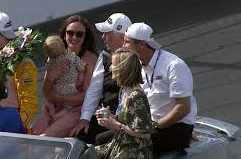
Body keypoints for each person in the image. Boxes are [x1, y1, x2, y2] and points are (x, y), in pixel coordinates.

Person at [123, 22, 197, 157]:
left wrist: (154, 127)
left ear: (141, 44)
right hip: (151, 125)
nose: (123, 46)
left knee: (130, 145)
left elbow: (183, 108)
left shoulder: (173, 66)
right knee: (106, 138)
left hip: (175, 128)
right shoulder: (137, 64)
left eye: (127, 42)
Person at [70, 13, 132, 145]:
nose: (103, 37)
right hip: (105, 116)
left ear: (120, 36)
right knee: (78, 138)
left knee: (100, 141)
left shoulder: (135, 59)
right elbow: (94, 88)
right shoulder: (105, 56)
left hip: (126, 120)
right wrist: (85, 119)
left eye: (107, 33)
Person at [31, 15, 98, 137]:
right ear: (64, 35)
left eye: (79, 34)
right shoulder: (55, 54)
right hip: (53, 108)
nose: (74, 37)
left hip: (75, 111)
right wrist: (51, 77)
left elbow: (84, 97)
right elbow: (46, 91)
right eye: (70, 33)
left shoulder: (91, 59)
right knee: (31, 137)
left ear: (85, 37)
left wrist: (56, 96)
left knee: (45, 138)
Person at [95, 48, 153, 159]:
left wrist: (116, 125)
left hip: (133, 150)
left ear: (123, 68)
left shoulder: (136, 96)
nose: (110, 67)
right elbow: (128, 119)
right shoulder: (124, 89)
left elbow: (145, 133)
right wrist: (110, 117)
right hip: (120, 143)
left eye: (113, 64)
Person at [32, 35, 85, 134]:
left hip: (60, 93)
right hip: (70, 89)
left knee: (42, 134)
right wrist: (81, 73)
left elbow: (48, 92)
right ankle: (59, 112)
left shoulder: (50, 63)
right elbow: (82, 67)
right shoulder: (72, 57)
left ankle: (55, 112)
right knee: (36, 132)